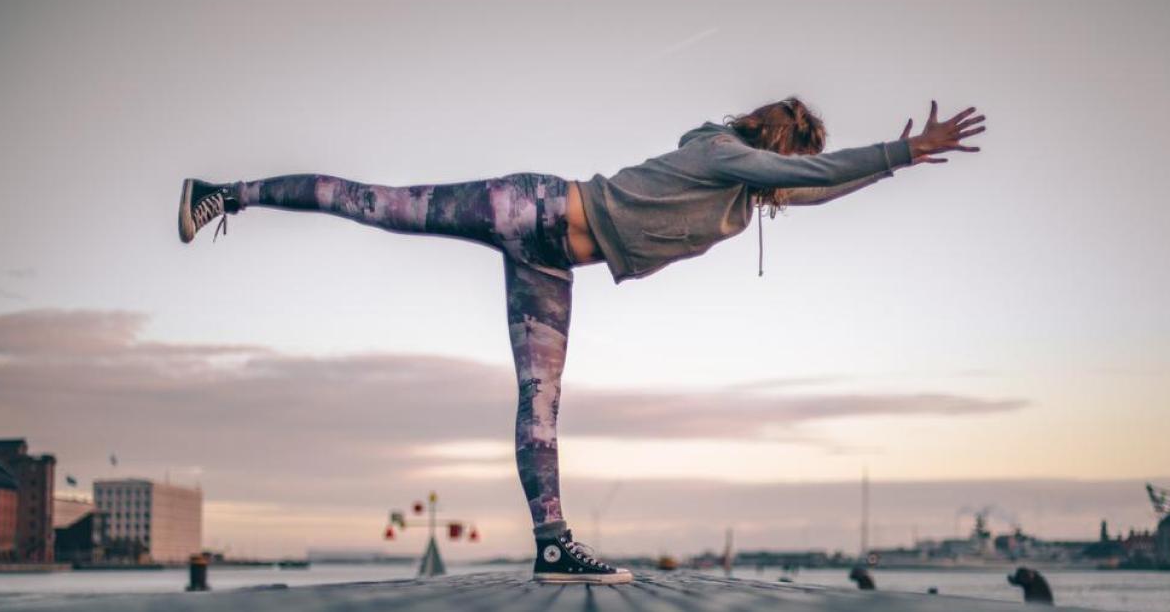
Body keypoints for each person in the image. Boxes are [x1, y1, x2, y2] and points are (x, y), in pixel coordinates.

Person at [176, 97, 985, 584]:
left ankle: (554, 545)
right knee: (377, 205)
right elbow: (810, 178)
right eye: (795, 162)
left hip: (553, 261)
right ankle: (225, 194)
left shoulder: (745, 194)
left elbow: (816, 191)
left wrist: (891, 169)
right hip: (527, 207)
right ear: (780, 146)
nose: (793, 179)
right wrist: (901, 148)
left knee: (541, 402)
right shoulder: (719, 152)